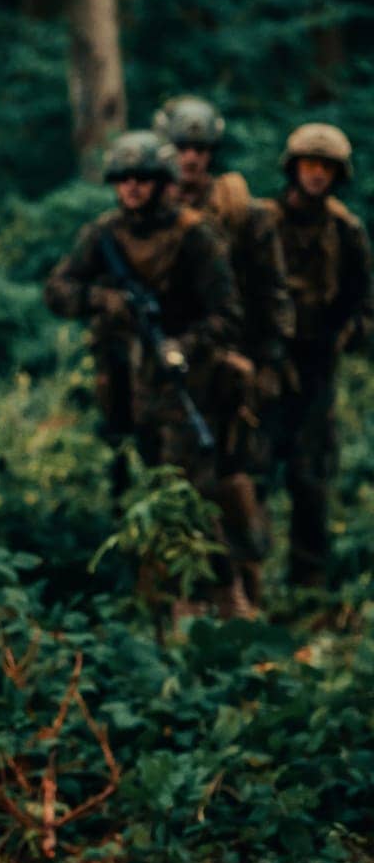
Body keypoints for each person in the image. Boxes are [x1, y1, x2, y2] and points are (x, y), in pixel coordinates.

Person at [45, 130, 249, 615]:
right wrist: (103, 300)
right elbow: (58, 290)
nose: (132, 188)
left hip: (183, 385)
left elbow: (228, 314)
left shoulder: (195, 235)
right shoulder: (103, 236)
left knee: (188, 495)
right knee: (132, 492)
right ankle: (146, 600)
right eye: (124, 179)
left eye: (143, 179)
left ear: (163, 183)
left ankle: (215, 597)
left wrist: (184, 345)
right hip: (120, 384)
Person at [153, 95, 293, 605]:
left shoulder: (242, 213)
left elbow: (272, 293)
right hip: (173, 372)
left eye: (200, 148)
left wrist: (268, 363)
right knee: (176, 483)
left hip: (234, 373)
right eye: (182, 147)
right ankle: (184, 599)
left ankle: (248, 599)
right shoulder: (152, 213)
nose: (191, 158)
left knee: (239, 480)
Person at [257, 123, 373, 587]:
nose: (317, 175)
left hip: (318, 363)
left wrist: (347, 334)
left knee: (311, 476)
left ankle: (307, 586)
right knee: (253, 469)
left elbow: (365, 302)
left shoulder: (347, 231)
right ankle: (246, 583)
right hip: (267, 360)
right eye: (309, 165)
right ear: (293, 168)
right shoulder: (263, 221)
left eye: (326, 167)